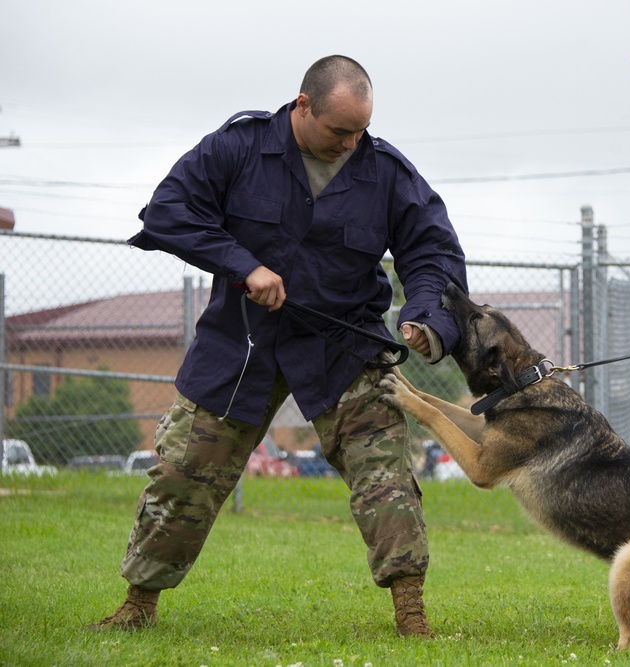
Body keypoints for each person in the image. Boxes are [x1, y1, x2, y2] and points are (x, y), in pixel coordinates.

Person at [88, 55, 468, 639]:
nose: (350, 143)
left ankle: (411, 616)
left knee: (384, 474)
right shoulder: (238, 148)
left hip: (342, 344)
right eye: (339, 130)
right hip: (242, 341)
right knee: (186, 471)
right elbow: (168, 212)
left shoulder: (386, 170)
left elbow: (433, 253)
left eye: (360, 130)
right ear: (302, 105)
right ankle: (138, 605)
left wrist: (423, 318)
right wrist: (243, 266)